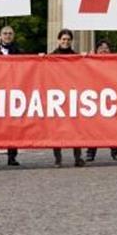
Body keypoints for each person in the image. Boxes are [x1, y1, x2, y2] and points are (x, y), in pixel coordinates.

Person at [46, 29, 85, 168]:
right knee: (57, 129)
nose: (65, 41)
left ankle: (78, 157)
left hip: (72, 96)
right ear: (59, 40)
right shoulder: (51, 57)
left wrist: (86, 59)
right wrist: (40, 58)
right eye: (63, 39)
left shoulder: (76, 56)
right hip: (56, 96)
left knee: (76, 128)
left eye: (68, 39)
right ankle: (57, 158)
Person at [0, 25, 22, 168]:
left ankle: (12, 156)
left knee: (13, 125)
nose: (7, 36)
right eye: (5, 33)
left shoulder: (19, 52)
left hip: (13, 91)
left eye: (10, 33)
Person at [86, 38, 117, 162]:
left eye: (106, 48)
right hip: (94, 98)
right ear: (96, 50)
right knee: (93, 126)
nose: (104, 50)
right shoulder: (89, 63)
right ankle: (90, 152)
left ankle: (116, 151)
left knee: (115, 126)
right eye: (101, 48)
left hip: (111, 98)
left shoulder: (116, 64)